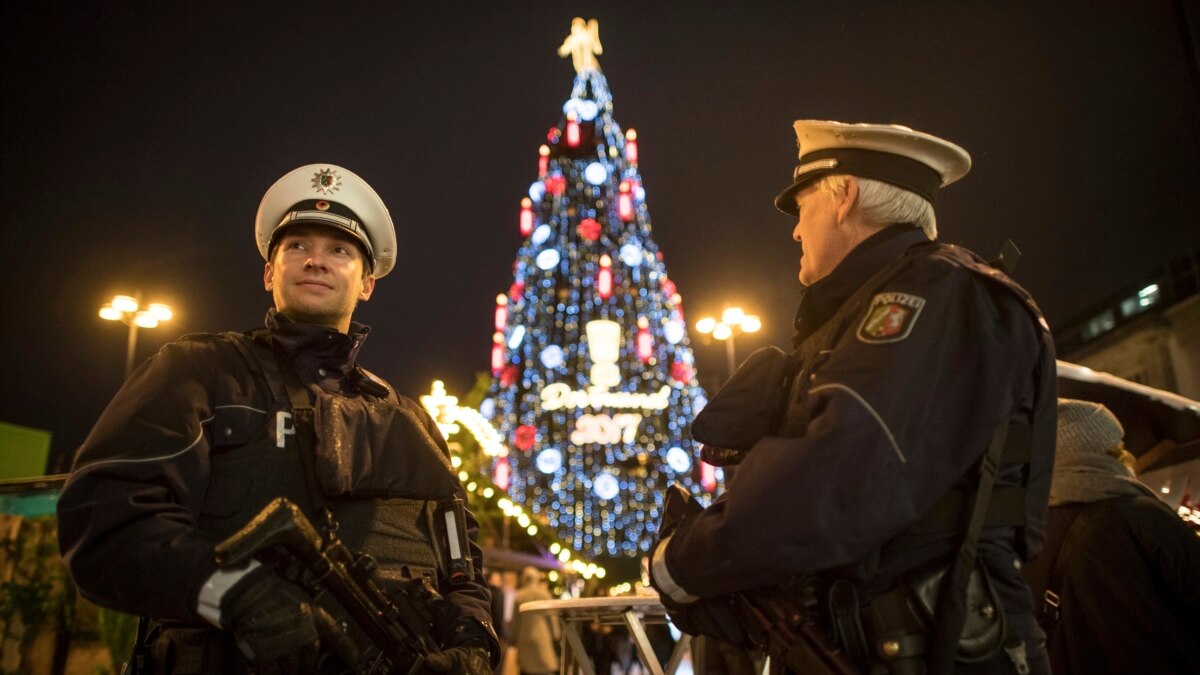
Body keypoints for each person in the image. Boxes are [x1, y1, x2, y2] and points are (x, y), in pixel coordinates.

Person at [650, 121, 1058, 674]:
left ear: (843, 197)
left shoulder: (932, 293)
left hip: (936, 649)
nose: (795, 231)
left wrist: (682, 562)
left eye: (803, 205)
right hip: (881, 644)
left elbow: (835, 474)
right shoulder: (875, 307)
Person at [57, 164, 499, 674]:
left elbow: (460, 562)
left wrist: (474, 644)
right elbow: (106, 523)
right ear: (270, 273)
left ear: (367, 283)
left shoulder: (411, 421)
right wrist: (235, 595)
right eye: (296, 247)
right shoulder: (201, 370)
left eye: (339, 250)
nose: (316, 261)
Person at [1022, 399, 1200, 674]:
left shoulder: (1026, 537)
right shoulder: (1139, 515)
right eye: (1116, 449)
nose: (1127, 457)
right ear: (1092, 454)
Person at [510, 567, 559, 675]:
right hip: (542, 637)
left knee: (526, 670)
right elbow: (552, 618)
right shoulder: (544, 594)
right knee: (543, 669)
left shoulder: (519, 596)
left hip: (524, 638)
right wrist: (556, 635)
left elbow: (515, 621)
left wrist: (513, 639)